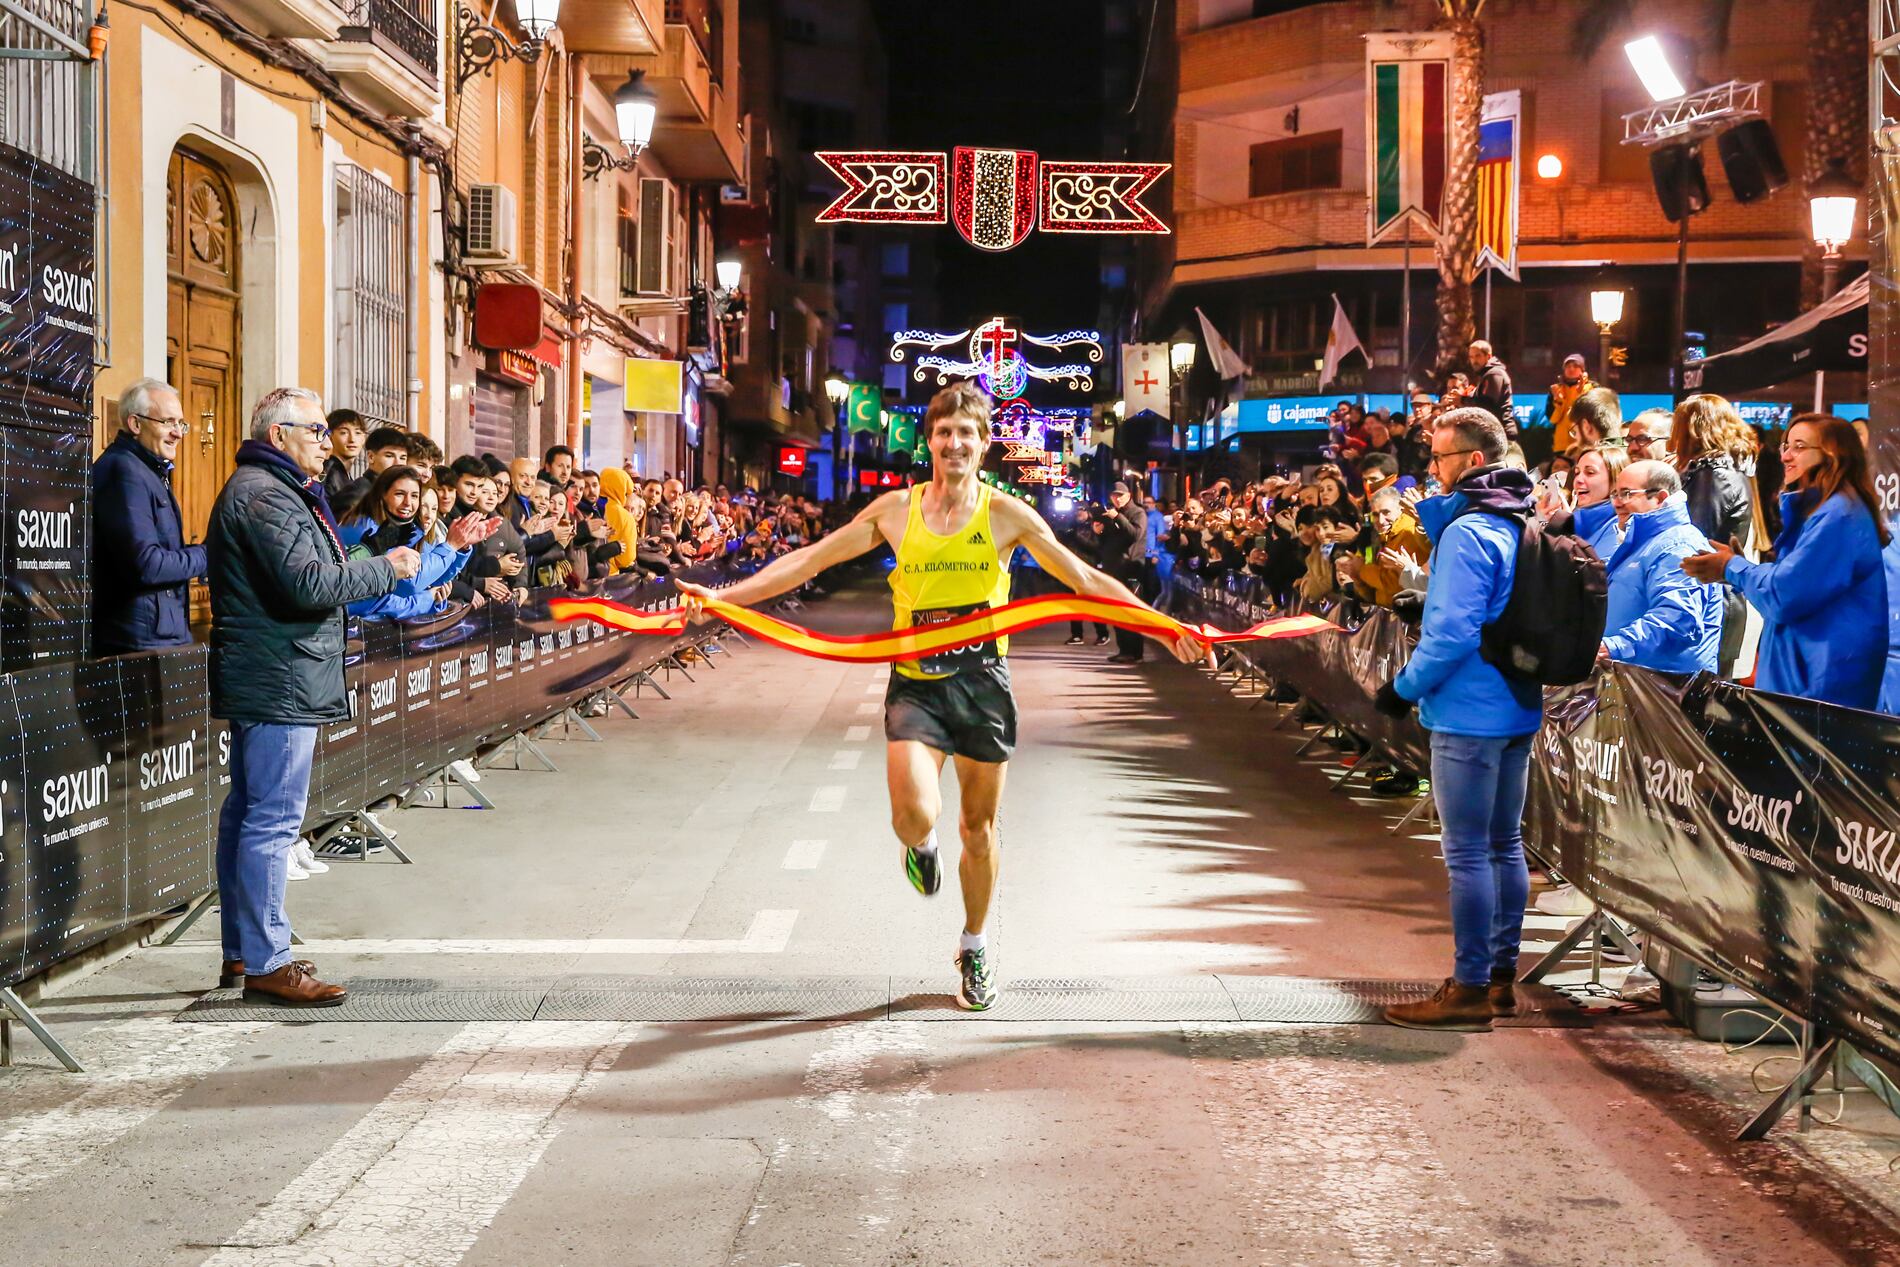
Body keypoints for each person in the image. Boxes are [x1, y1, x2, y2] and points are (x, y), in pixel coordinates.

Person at [674, 382, 1204, 1011]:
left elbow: (1085, 577)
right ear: (930, 441)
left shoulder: (1007, 515)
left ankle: (974, 946)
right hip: (917, 686)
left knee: (977, 830)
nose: (954, 443)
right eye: (943, 432)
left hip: (983, 686)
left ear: (985, 444)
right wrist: (725, 599)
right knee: (915, 817)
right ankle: (920, 848)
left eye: (967, 433)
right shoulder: (894, 512)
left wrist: (1161, 625)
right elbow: (810, 560)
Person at [207, 388, 421, 1005]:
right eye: (318, 431)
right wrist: (389, 568)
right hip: (279, 676)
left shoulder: (276, 490)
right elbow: (307, 585)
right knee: (270, 820)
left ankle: (245, 951)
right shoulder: (266, 494)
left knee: (251, 814)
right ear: (280, 436)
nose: (329, 443)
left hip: (277, 672)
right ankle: (268, 961)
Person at [1373, 407, 1541, 1032]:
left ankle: (1469, 988)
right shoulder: (1519, 520)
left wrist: (1403, 687)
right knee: (1504, 845)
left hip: (1470, 712)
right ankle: (1499, 980)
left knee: (1468, 852)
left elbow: (1451, 635)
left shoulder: (1470, 532)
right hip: (1516, 705)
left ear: (1473, 460)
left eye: (1439, 458)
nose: (1430, 469)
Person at [1682, 414, 1889, 710]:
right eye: (1785, 446)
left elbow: (1786, 594)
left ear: (1832, 455)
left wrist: (1733, 568)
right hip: (1805, 688)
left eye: (1799, 447)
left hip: (1817, 696)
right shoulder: (1824, 511)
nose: (1786, 456)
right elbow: (1795, 583)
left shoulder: (1839, 515)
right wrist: (1739, 569)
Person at [92, 378, 207, 655]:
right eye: (168, 422)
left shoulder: (146, 470)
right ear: (135, 424)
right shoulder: (125, 471)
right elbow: (146, 564)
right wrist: (206, 555)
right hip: (137, 641)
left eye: (181, 424)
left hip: (153, 633)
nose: (178, 433)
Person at [1598, 461, 1723, 674]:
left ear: (1661, 498)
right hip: (1637, 684)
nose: (1617, 503)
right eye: (1615, 494)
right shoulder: (1643, 542)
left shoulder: (1678, 545)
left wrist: (1614, 646)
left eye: (1627, 493)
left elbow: (1679, 620)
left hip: (1666, 692)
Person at [1673, 393, 1758, 675]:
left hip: (1710, 604)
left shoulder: (1713, 475)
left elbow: (1694, 538)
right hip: (1714, 599)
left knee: (1703, 708)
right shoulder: (1721, 471)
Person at [1101, 482, 1150, 664]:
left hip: (1131, 569)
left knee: (1130, 612)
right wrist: (1099, 531)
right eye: (1114, 495)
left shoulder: (1137, 513)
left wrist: (1118, 517)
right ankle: (1124, 649)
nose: (1117, 498)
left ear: (1128, 495)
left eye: (1120, 495)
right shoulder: (1113, 513)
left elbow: (1134, 534)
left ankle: (1133, 651)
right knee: (1117, 612)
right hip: (1115, 569)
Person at [1543, 353, 1595, 452]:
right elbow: (1553, 420)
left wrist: (1581, 391)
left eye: (1575, 366)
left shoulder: (1593, 387)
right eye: (1568, 366)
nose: (1571, 369)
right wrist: (1558, 401)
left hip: (1584, 444)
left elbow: (1592, 414)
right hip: (1561, 446)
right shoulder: (1555, 389)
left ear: (1582, 370)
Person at [321, 410, 368, 507]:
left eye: (358, 433)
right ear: (329, 436)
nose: (352, 439)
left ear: (364, 438)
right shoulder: (328, 472)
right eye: (344, 432)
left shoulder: (344, 474)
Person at [1467, 339, 1515, 436]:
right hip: (1496, 432)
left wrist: (1463, 400)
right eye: (1471, 357)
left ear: (1488, 356)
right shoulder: (1487, 374)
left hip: (1501, 433)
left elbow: (1488, 404)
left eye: (1478, 356)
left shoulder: (1494, 374)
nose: (1474, 361)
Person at [1568, 387, 1623, 453]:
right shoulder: (1630, 456)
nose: (1575, 439)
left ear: (1586, 427)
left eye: (1574, 432)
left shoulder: (1590, 460)